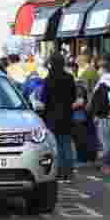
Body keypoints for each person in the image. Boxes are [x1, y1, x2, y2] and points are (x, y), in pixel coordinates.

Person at [39, 54, 77, 182]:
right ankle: (68, 173)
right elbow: (73, 96)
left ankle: (59, 172)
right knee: (66, 144)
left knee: (55, 145)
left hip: (52, 116)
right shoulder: (69, 78)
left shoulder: (49, 79)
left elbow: (43, 98)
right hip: (67, 114)